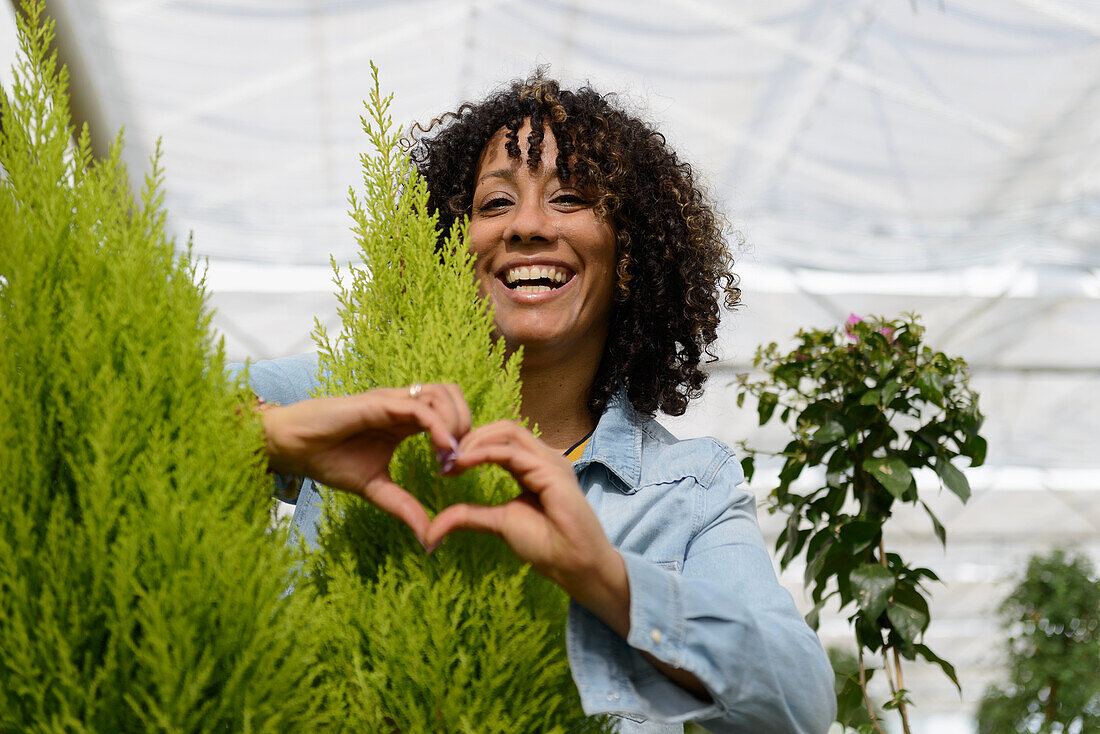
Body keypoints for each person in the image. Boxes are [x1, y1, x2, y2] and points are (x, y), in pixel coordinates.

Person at [248, 75, 836, 733]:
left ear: (629, 256)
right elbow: (137, 408)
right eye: (495, 202)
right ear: (447, 244)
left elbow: (801, 706)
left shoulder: (687, 493)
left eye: (571, 197)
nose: (528, 225)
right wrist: (272, 435)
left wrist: (607, 580)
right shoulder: (355, 394)